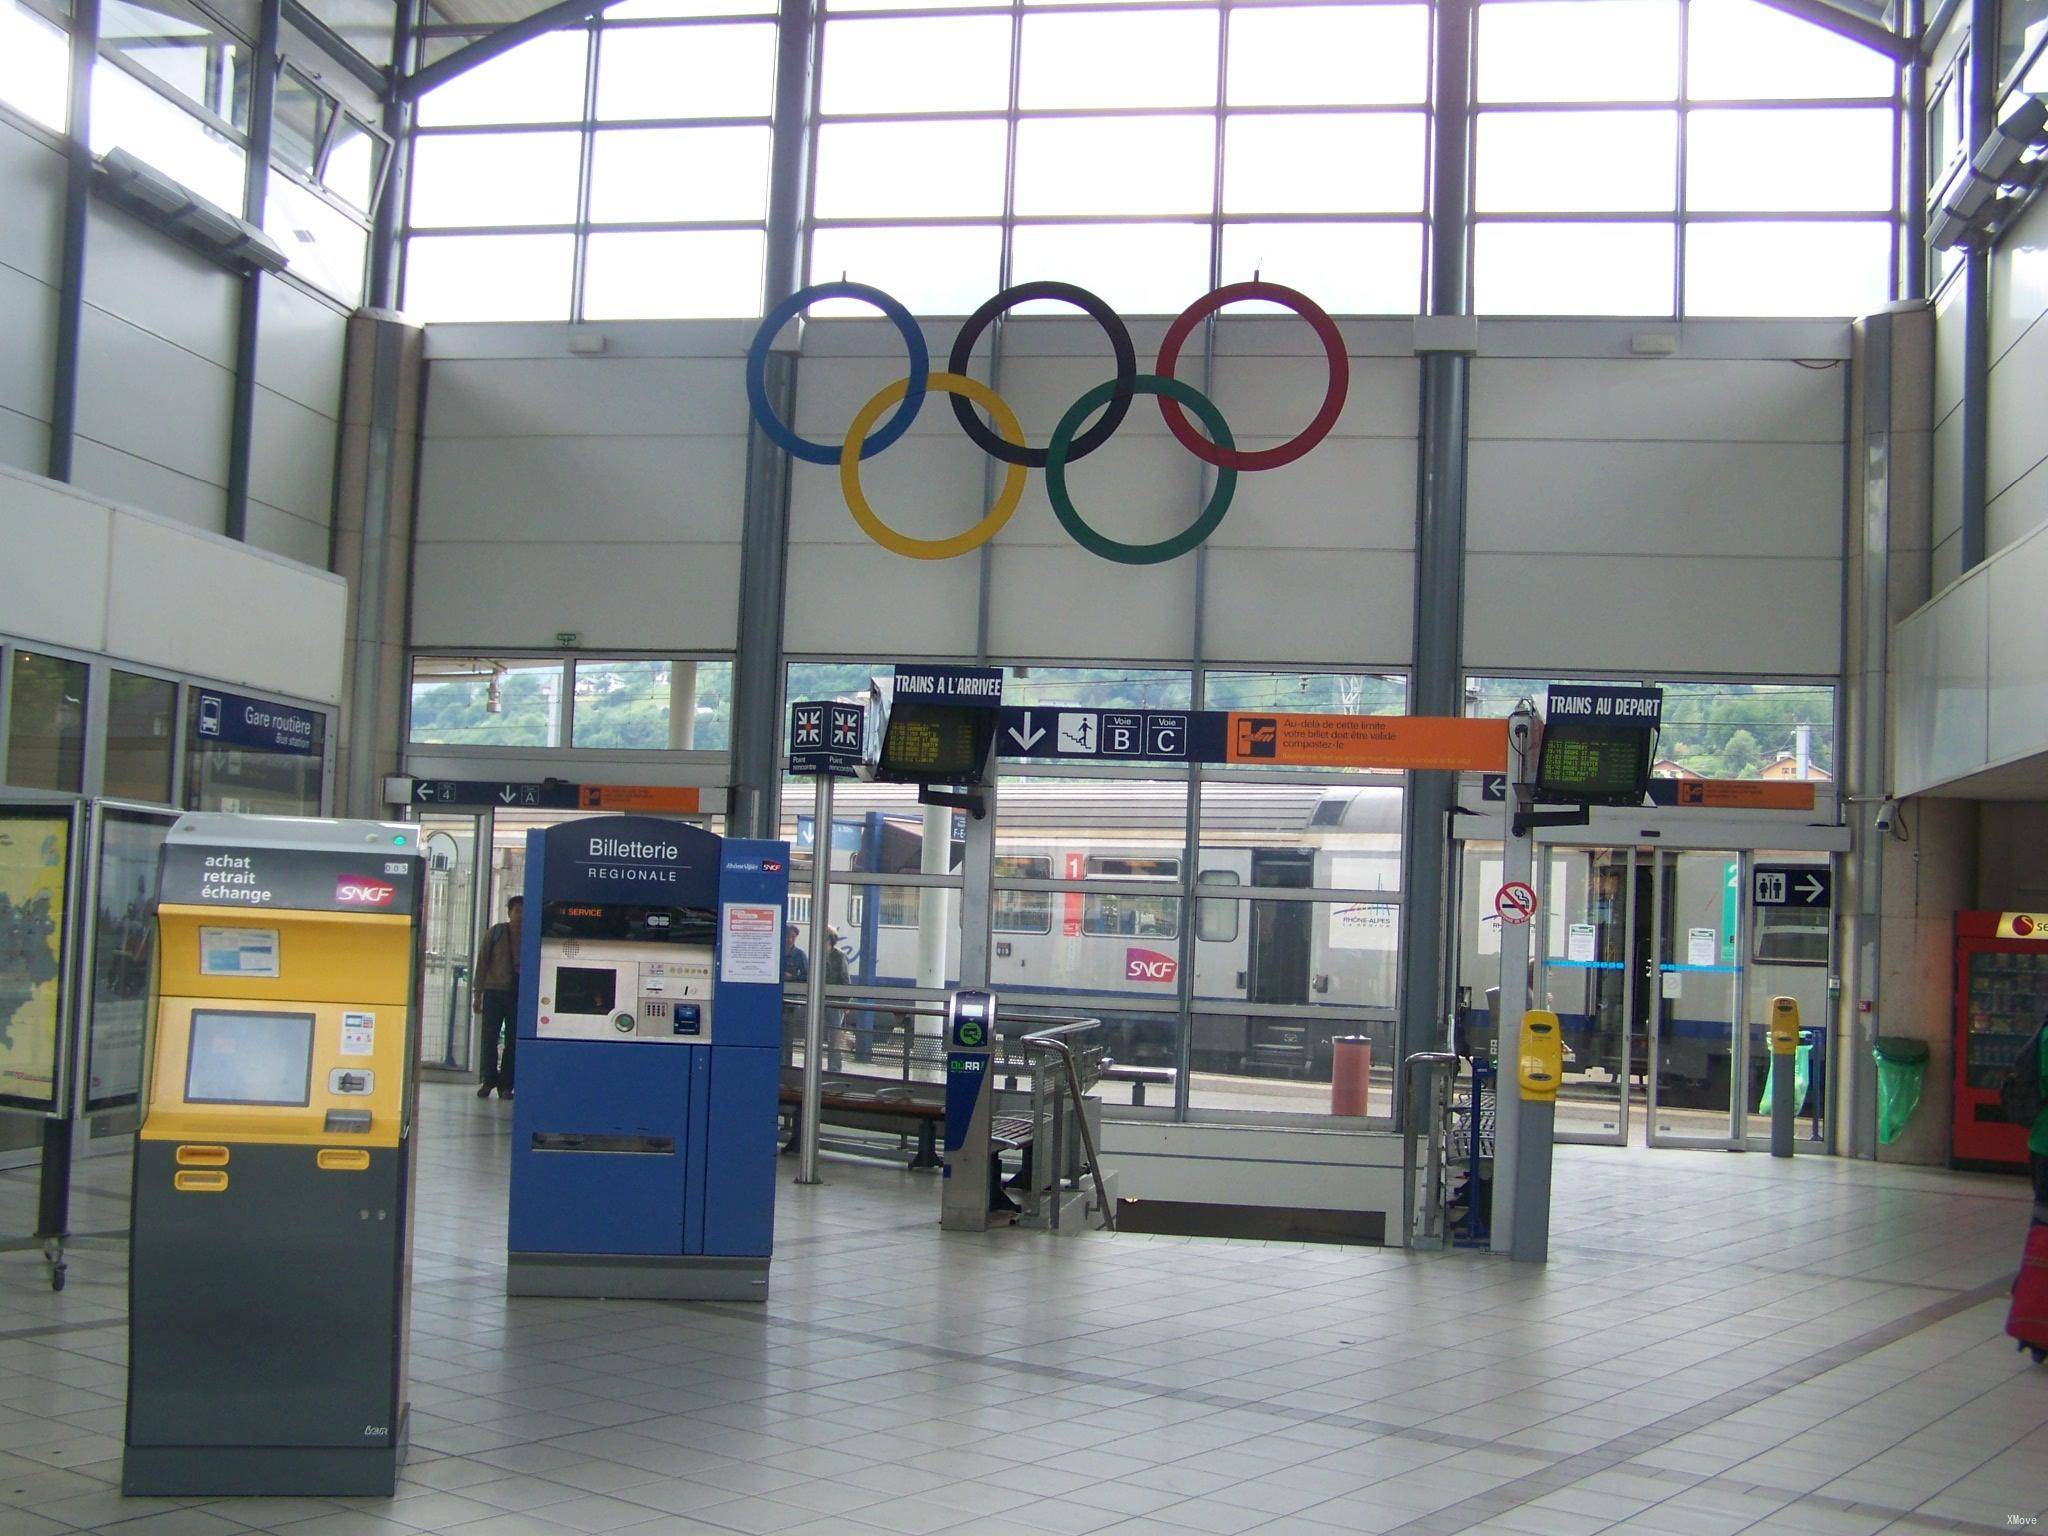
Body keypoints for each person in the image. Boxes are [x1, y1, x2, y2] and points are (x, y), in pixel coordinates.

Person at [474, 896, 522, 1100]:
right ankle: (488, 1080)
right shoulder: (496, 932)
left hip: (519, 994)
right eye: (517, 910)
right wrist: (478, 994)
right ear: (509, 912)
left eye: (524, 911)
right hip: (494, 991)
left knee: (513, 1041)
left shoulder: (532, 934)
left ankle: (506, 1085)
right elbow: (482, 962)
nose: (521, 915)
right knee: (489, 1039)